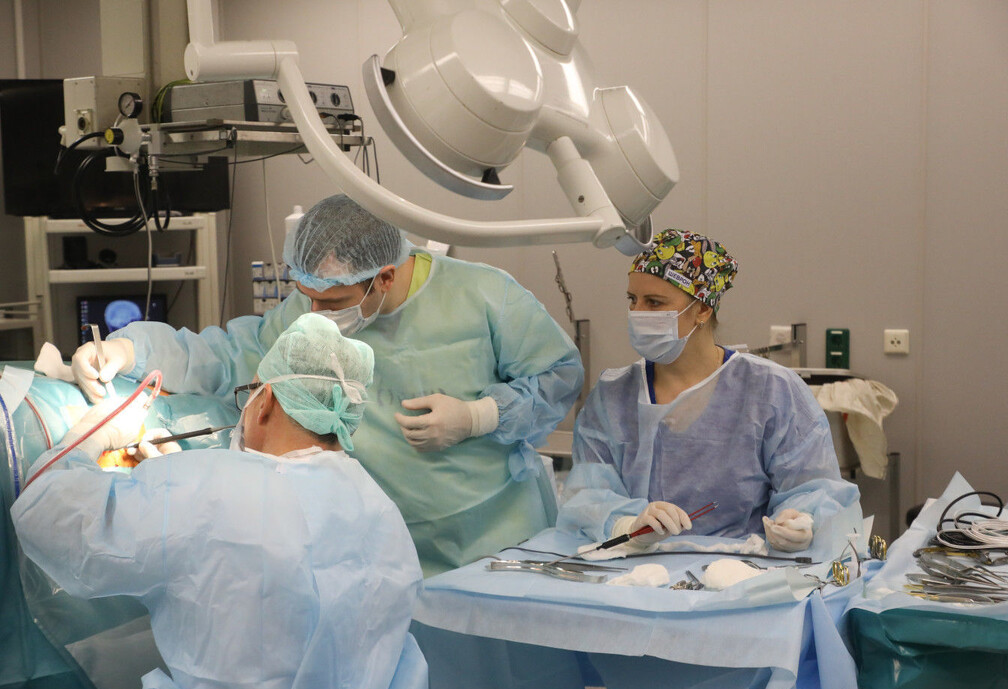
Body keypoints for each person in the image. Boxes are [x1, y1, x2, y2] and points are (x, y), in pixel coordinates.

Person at [12, 314, 430, 689]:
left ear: (265, 400)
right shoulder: (378, 506)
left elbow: (49, 514)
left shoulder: (205, 489)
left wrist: (95, 434)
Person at [72, 194, 583, 576]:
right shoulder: (314, 302)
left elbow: (560, 374)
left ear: (385, 277)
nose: (315, 313)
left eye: (333, 303)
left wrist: (479, 416)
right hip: (387, 545)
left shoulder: (484, 295)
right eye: (308, 297)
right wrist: (131, 350)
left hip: (493, 542)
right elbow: (233, 355)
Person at [558, 227, 859, 554]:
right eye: (633, 300)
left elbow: (813, 490)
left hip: (738, 569)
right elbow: (587, 496)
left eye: (655, 302)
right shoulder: (613, 395)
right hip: (635, 567)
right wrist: (627, 526)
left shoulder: (771, 390)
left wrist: (800, 521)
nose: (638, 313)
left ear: (702, 309)